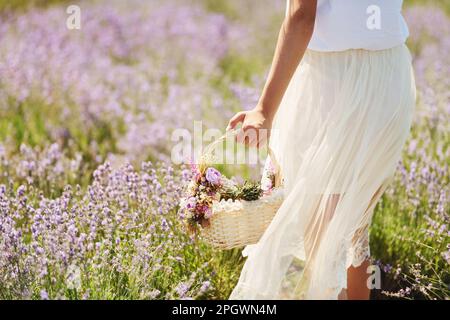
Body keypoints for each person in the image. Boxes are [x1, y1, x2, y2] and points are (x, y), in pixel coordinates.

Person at [227, 0, 415, 300]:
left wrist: (264, 109)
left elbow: (302, 17)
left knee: (322, 220)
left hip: (332, 79)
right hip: (389, 73)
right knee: (354, 220)